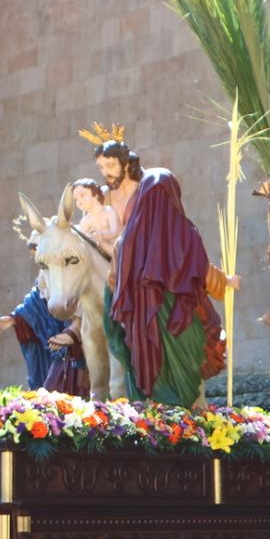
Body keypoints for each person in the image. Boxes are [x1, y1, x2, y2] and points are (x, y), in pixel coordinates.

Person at [106, 169, 236, 406]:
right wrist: (226, 281)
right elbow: (203, 274)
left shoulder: (124, 243)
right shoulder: (187, 235)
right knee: (191, 397)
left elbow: (113, 286)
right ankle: (189, 433)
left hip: (144, 334)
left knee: (153, 399)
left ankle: (161, 431)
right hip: (183, 328)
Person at [0, 269, 71, 390]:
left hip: (72, 346)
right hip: (51, 347)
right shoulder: (42, 280)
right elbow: (34, 305)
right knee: (48, 388)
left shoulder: (69, 278)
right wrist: (15, 319)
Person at [92, 134, 143, 229]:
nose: (105, 173)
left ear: (126, 165)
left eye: (110, 165)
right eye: (101, 167)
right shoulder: (103, 197)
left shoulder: (144, 192)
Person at [71, 176, 121, 256]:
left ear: (95, 194)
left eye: (82, 195)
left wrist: (99, 235)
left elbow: (115, 232)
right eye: (76, 199)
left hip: (116, 248)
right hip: (98, 253)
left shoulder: (108, 211)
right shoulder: (86, 221)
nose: (79, 201)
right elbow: (82, 238)